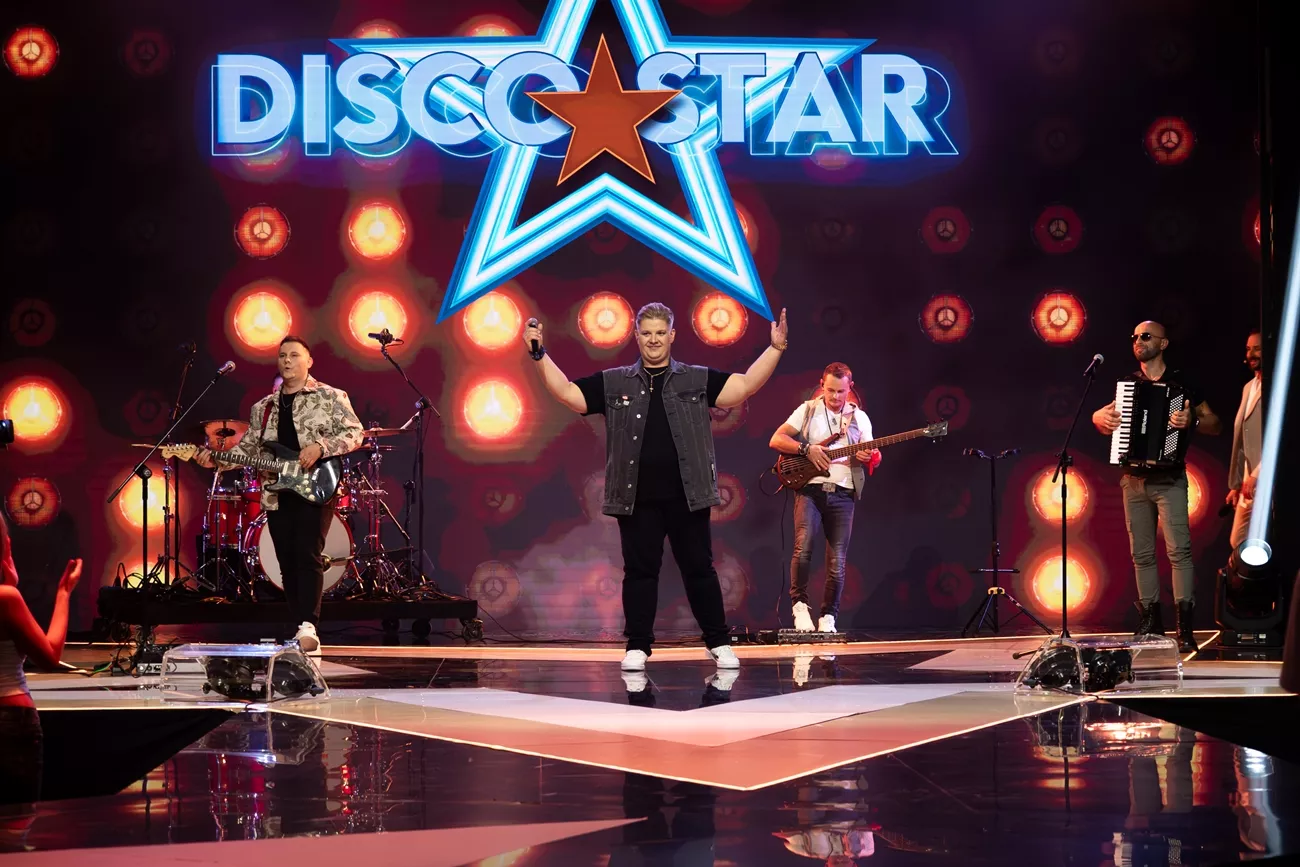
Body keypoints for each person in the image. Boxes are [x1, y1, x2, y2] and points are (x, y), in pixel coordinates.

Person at [525, 302, 788, 671]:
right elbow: (568, 393)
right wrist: (539, 354)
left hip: (688, 495)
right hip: (636, 498)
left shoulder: (694, 378)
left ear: (672, 335)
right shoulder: (616, 381)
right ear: (637, 336)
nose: (653, 340)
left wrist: (775, 348)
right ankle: (637, 646)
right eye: (646, 333)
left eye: (660, 333)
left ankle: (718, 642)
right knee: (639, 573)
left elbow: (742, 386)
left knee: (699, 570)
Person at [195, 335, 363, 655]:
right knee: (286, 559)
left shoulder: (329, 396)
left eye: (294, 355)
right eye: (282, 355)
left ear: (309, 361)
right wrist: (215, 459)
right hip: (276, 490)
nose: (287, 360)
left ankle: (309, 626)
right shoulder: (264, 407)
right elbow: (247, 450)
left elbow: (355, 433)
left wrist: (321, 447)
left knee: (308, 553)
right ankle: (301, 625)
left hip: (316, 484)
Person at [1092, 321, 1220, 652]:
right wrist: (1097, 419)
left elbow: (1215, 424)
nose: (1138, 341)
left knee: (1179, 552)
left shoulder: (1182, 383)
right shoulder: (1127, 384)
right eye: (1134, 337)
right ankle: (1150, 621)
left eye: (1146, 336)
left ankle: (1184, 626)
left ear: (1163, 344)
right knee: (1142, 554)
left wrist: (1192, 420)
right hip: (1133, 479)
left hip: (1169, 479)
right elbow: (1106, 420)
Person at [768, 363, 880, 633]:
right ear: (821, 385)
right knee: (803, 548)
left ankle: (829, 615)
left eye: (841, 391)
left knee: (837, 560)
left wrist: (869, 456)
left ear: (850, 388)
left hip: (844, 492)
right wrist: (806, 449)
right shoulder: (808, 410)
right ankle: (799, 607)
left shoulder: (860, 418)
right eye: (830, 390)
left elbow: (874, 454)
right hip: (810, 489)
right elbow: (776, 439)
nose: (835, 397)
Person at [0, 513, 82, 804]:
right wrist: (64, 593)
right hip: (9, 720)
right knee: (14, 820)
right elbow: (49, 656)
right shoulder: (6, 599)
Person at [1226, 332, 1263, 554]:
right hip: (1248, 482)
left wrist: (1257, 475)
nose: (1251, 354)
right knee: (1238, 540)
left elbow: (1279, 438)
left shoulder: (1276, 387)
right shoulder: (1249, 387)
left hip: (1267, 478)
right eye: (1248, 349)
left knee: (1272, 539)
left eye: (1257, 348)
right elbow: (1241, 437)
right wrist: (1237, 483)